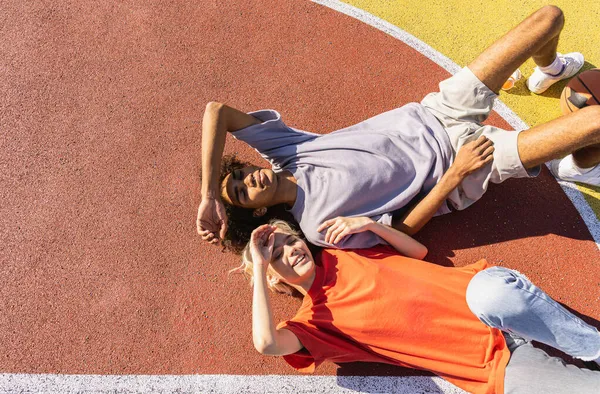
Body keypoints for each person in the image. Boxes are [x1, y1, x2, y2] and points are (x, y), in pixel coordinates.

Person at [197, 6, 600, 250]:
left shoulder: (286, 151)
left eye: (239, 175)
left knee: (549, 18)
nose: (248, 179)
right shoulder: (318, 225)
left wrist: (207, 195)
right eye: (240, 193)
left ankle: (550, 70)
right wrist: (456, 174)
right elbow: (402, 229)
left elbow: (217, 111)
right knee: (595, 120)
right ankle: (581, 167)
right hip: (463, 164)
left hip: (438, 109)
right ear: (259, 210)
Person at [239, 219, 600, 394]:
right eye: (277, 254)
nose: (291, 250)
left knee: (490, 295)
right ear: (273, 279)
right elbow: (267, 344)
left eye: (290, 240)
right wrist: (257, 262)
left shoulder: (342, 254)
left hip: (485, 301)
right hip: (490, 363)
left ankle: (594, 347)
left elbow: (418, 254)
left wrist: (371, 226)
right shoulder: (313, 324)